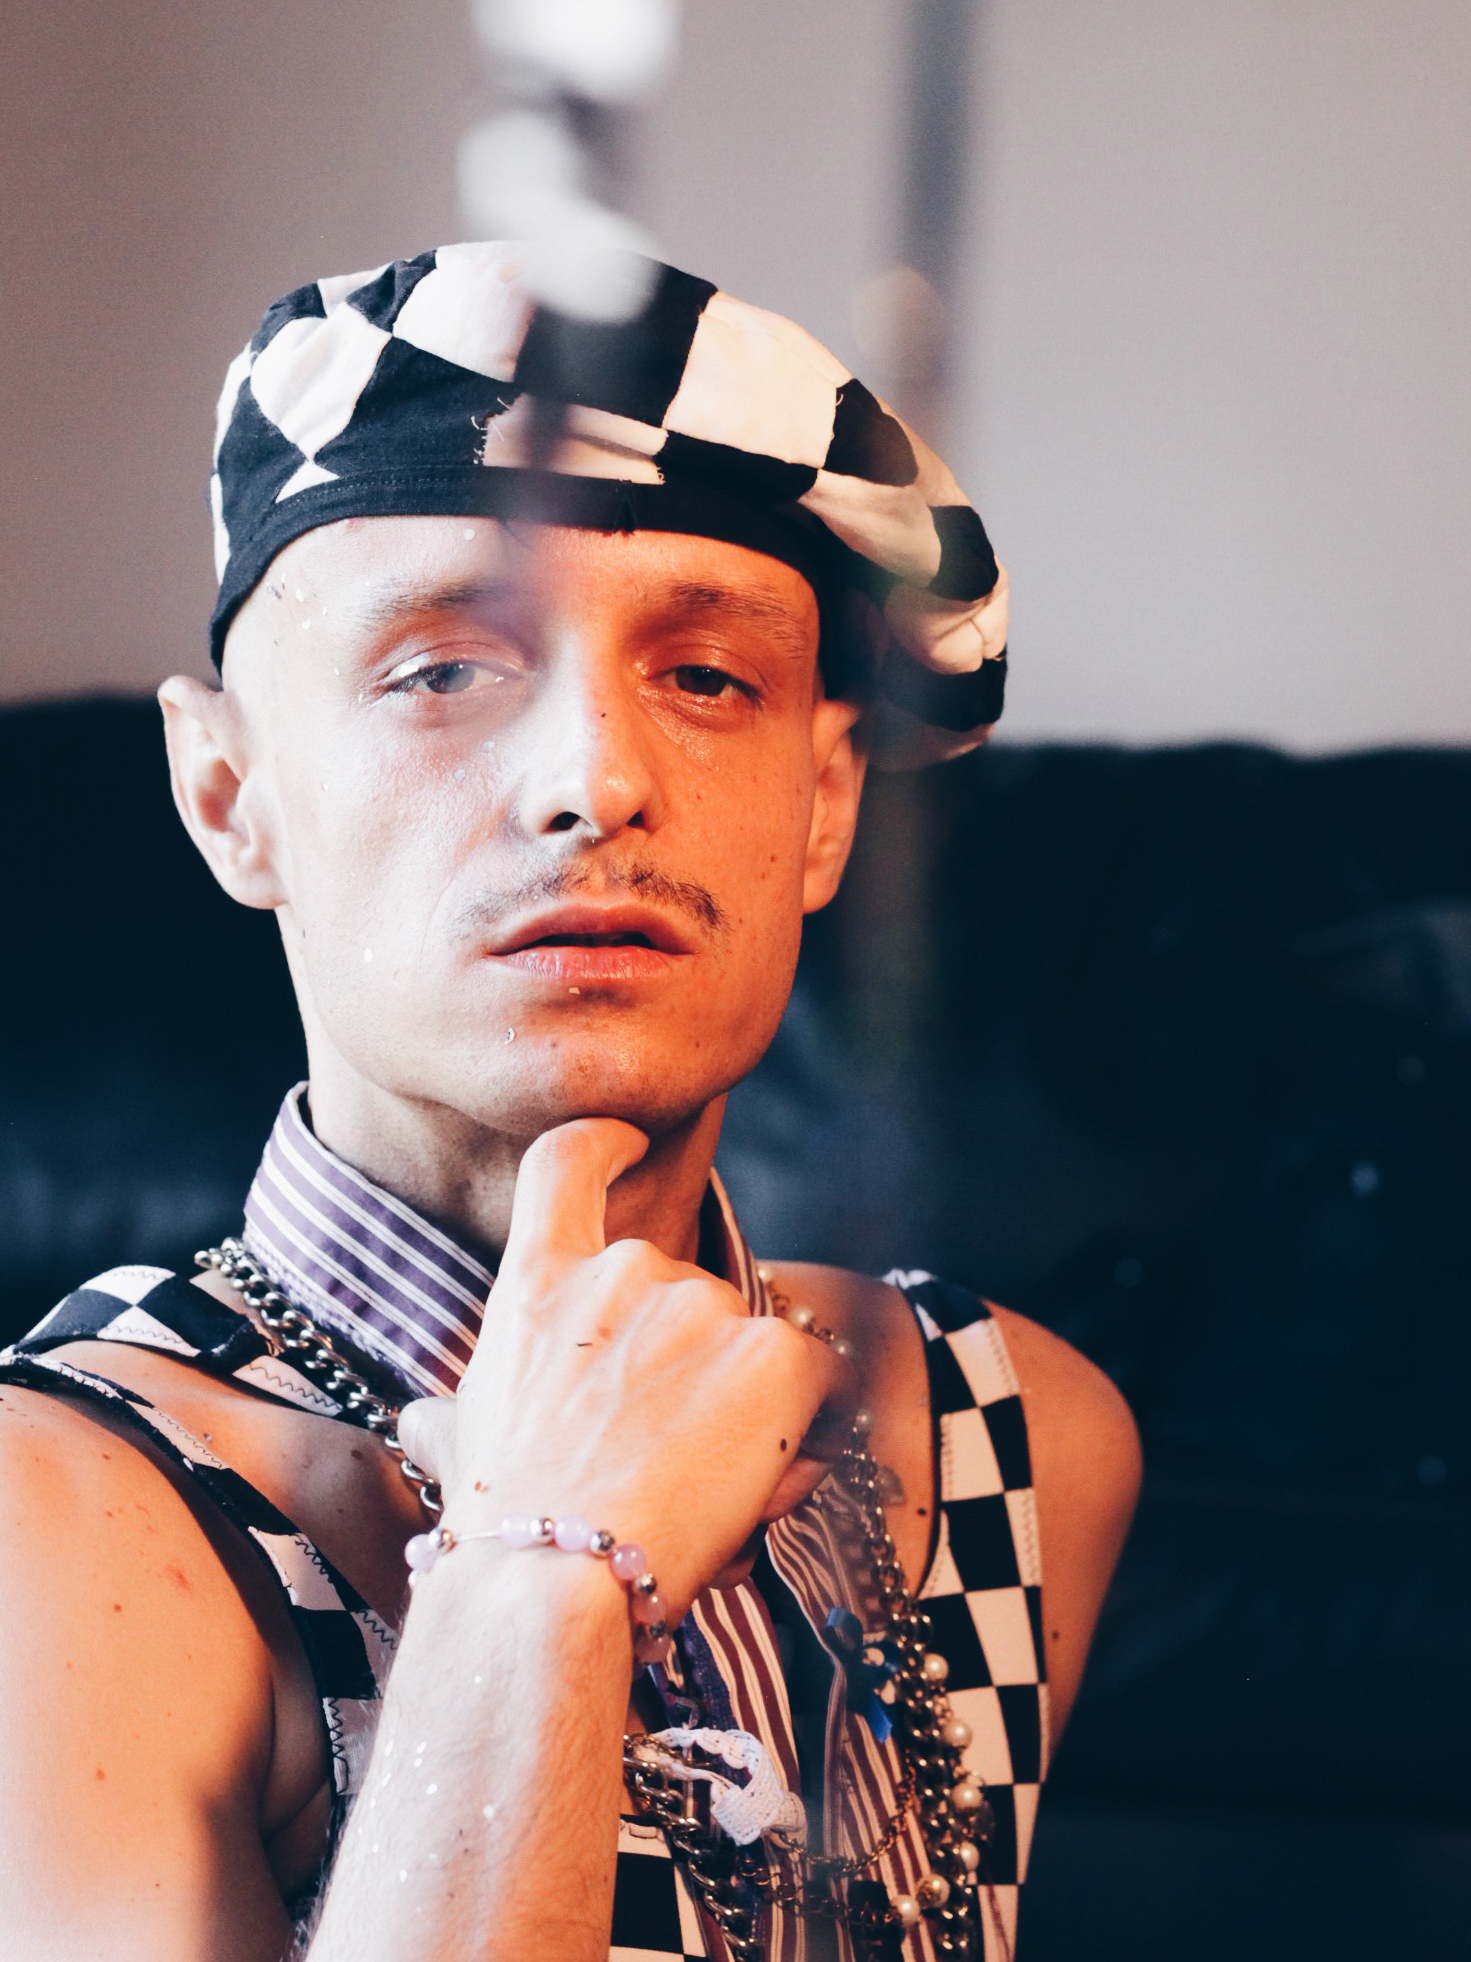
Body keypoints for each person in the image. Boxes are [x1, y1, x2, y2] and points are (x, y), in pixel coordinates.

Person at [0, 243, 1140, 1962]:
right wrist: (541, 1570)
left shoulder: (1010, 1427)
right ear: (230, 794)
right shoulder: (63, 1516)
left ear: (826, 802)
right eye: (442, 669)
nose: (594, 779)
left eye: (708, 677)